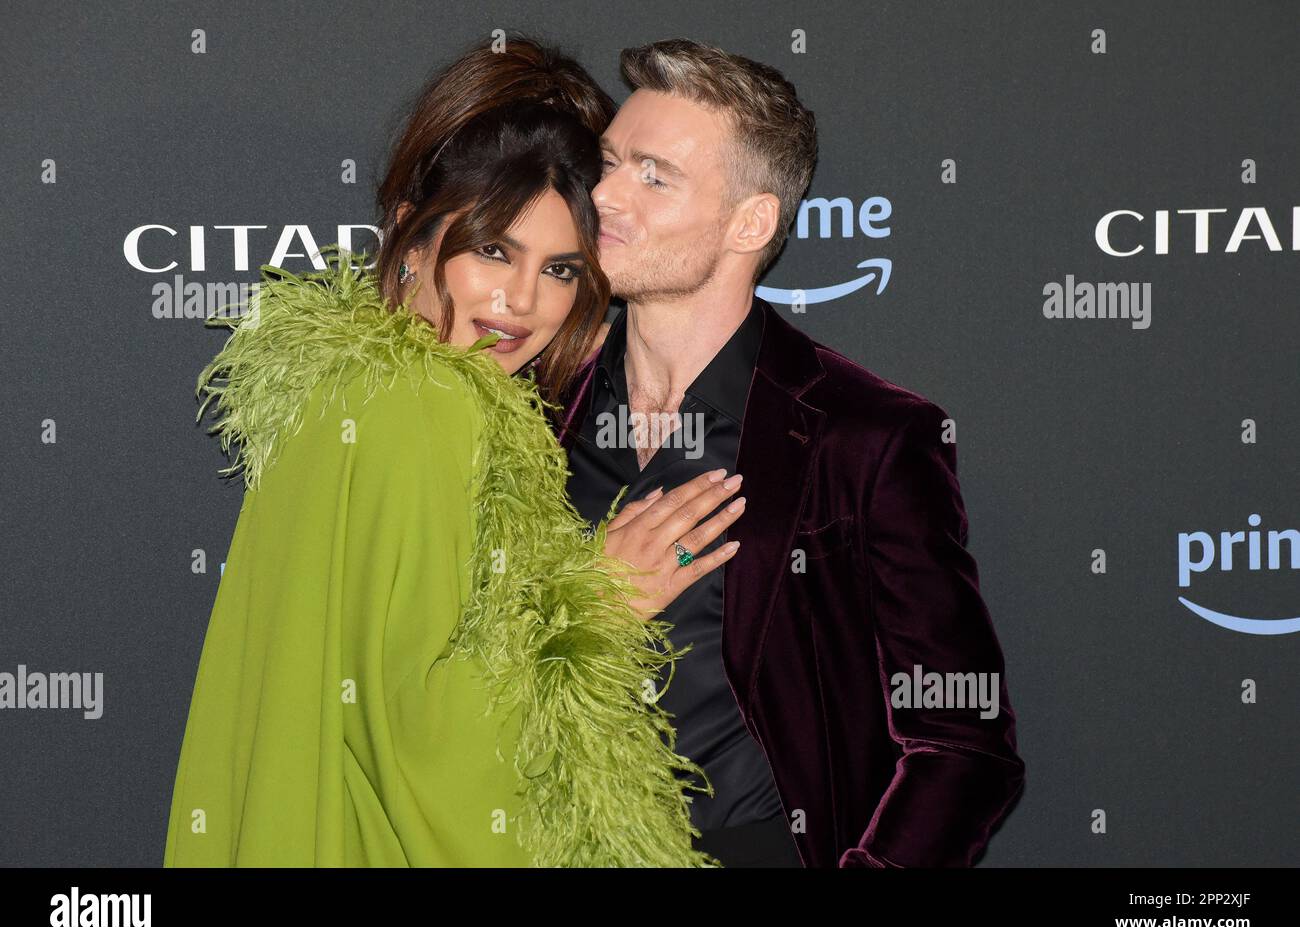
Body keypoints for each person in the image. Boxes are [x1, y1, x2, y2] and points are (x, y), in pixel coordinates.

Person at [163, 36, 747, 868]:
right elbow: (420, 739)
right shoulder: (430, 407)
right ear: (410, 236)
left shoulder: (342, 390)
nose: (522, 301)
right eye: (494, 250)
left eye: (561, 270)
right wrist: (603, 605)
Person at [553, 38, 1026, 867]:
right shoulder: (533, 411)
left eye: (654, 175)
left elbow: (963, 741)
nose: (605, 196)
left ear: (751, 222)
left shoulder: (865, 437)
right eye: (609, 162)